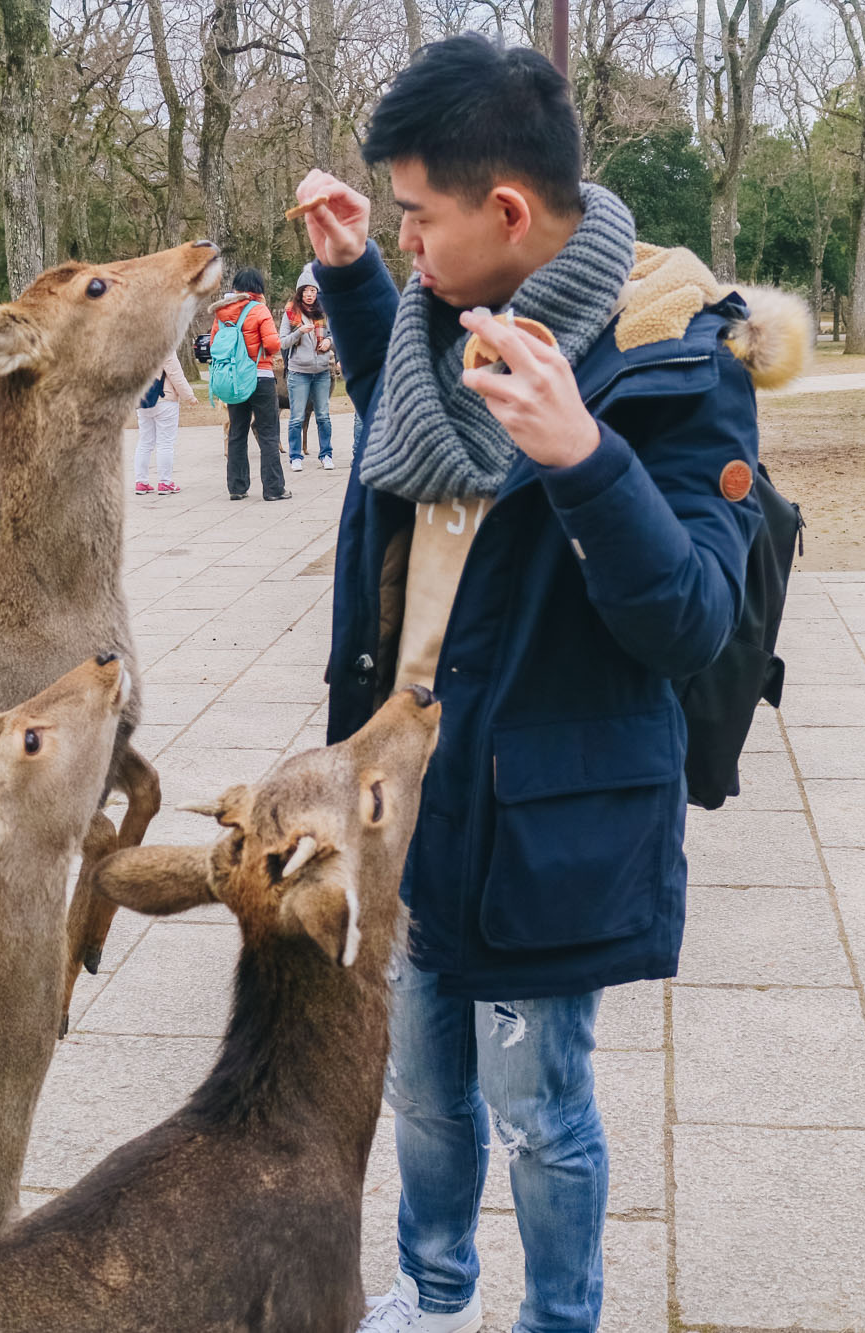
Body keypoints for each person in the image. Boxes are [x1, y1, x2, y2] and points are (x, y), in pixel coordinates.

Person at [296, 34, 764, 1333]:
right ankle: (436, 1293)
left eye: (415, 217)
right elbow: (424, 422)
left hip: (550, 810)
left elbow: (693, 623)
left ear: (506, 211)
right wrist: (352, 278)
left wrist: (585, 458)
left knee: (540, 1112)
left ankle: (560, 1320)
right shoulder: (449, 321)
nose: (409, 241)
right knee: (425, 1091)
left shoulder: (675, 356)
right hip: (411, 787)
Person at [210, 269, 290, 501]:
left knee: (237, 431)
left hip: (235, 381)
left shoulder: (221, 313)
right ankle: (274, 489)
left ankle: (237, 487)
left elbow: (215, 344)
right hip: (260, 377)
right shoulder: (259, 309)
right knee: (268, 433)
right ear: (258, 289)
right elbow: (273, 344)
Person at [282, 279, 339, 466]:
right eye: (305, 290)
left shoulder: (323, 312)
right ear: (299, 293)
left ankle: (326, 455)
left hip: (321, 371)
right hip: (299, 372)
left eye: (313, 290)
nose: (309, 294)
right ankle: (296, 457)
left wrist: (329, 342)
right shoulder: (290, 313)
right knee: (297, 417)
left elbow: (333, 335)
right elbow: (282, 342)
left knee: (323, 415)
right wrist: (299, 332)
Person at [135, 344, 196, 495]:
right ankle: (165, 482)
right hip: (164, 398)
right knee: (165, 443)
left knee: (145, 442)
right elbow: (175, 374)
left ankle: (141, 482)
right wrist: (189, 396)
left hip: (142, 400)